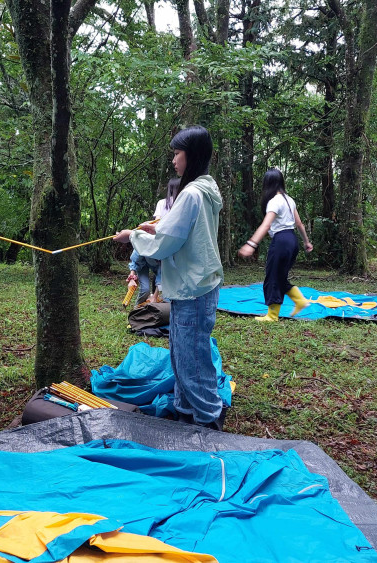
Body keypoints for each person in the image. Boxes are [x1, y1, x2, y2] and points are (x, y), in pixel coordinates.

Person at [113, 125, 224, 429]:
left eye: (177, 154)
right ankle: (186, 413)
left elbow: (165, 246)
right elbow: (180, 231)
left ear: (193, 155)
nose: (174, 160)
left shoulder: (191, 194)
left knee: (192, 360)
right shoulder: (205, 188)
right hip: (194, 286)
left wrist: (133, 236)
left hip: (194, 288)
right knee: (181, 354)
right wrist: (155, 228)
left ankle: (209, 422)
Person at [237, 168, 314, 322]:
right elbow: (299, 223)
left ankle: (272, 315)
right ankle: (299, 300)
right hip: (292, 241)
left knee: (273, 277)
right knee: (279, 276)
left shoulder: (274, 201)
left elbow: (266, 225)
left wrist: (251, 244)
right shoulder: (288, 199)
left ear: (267, 184)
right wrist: (306, 241)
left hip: (281, 241)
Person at [126, 178, 181, 304]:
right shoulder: (146, 242)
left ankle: (152, 310)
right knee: (144, 290)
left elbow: (162, 275)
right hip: (144, 262)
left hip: (160, 259)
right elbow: (136, 257)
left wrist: (155, 297)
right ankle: (136, 314)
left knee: (165, 296)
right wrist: (132, 277)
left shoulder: (166, 251)